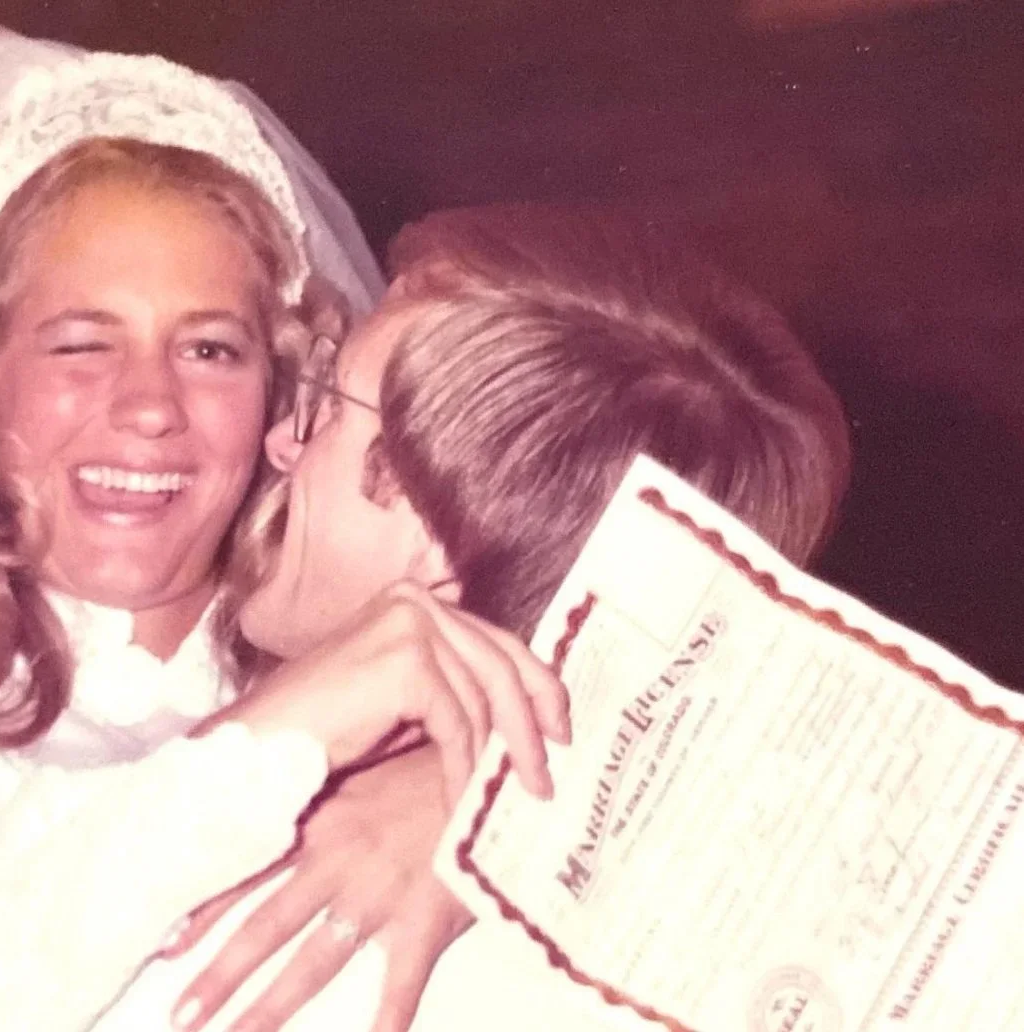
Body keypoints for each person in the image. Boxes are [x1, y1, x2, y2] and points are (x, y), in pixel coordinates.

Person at [0, 27, 538, 1030]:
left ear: (283, 398)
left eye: (208, 348)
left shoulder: (399, 732)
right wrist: (246, 759)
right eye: (80, 343)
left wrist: (482, 807)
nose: (149, 404)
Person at [154, 203, 853, 1030]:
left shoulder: (265, 901)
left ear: (441, 549)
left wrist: (240, 755)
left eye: (331, 410)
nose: (280, 442)